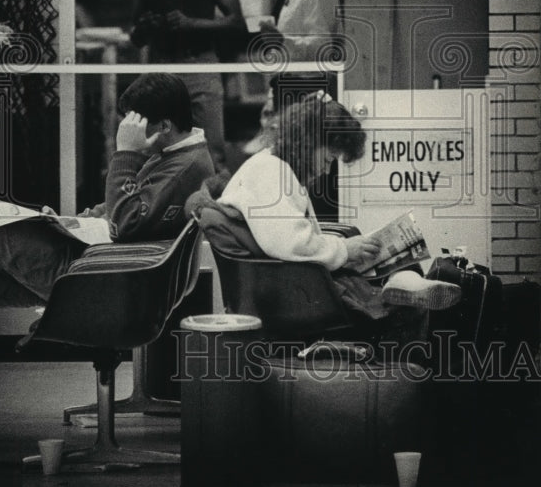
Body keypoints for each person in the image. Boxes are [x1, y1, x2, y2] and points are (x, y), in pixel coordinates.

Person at [0, 74, 214, 322]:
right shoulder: (176, 155)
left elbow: (126, 223)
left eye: (136, 123)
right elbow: (123, 209)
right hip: (99, 262)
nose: (129, 130)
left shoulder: (183, 168)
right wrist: (70, 222)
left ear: (165, 125)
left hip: (102, 276)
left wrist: (125, 153)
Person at [189, 91, 461, 337]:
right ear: (310, 143)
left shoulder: (274, 167)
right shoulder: (272, 172)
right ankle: (404, 284)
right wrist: (345, 249)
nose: (327, 169)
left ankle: (405, 281)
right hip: (295, 295)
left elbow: (290, 238)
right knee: (398, 294)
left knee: (389, 265)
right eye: (329, 158)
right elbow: (293, 243)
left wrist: (347, 250)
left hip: (289, 286)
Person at [130, 0, 247, 170]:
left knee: (212, 152)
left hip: (201, 67)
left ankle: (214, 211)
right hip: (162, 68)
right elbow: (135, 36)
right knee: (160, 153)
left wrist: (192, 24)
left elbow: (236, 22)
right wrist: (146, 27)